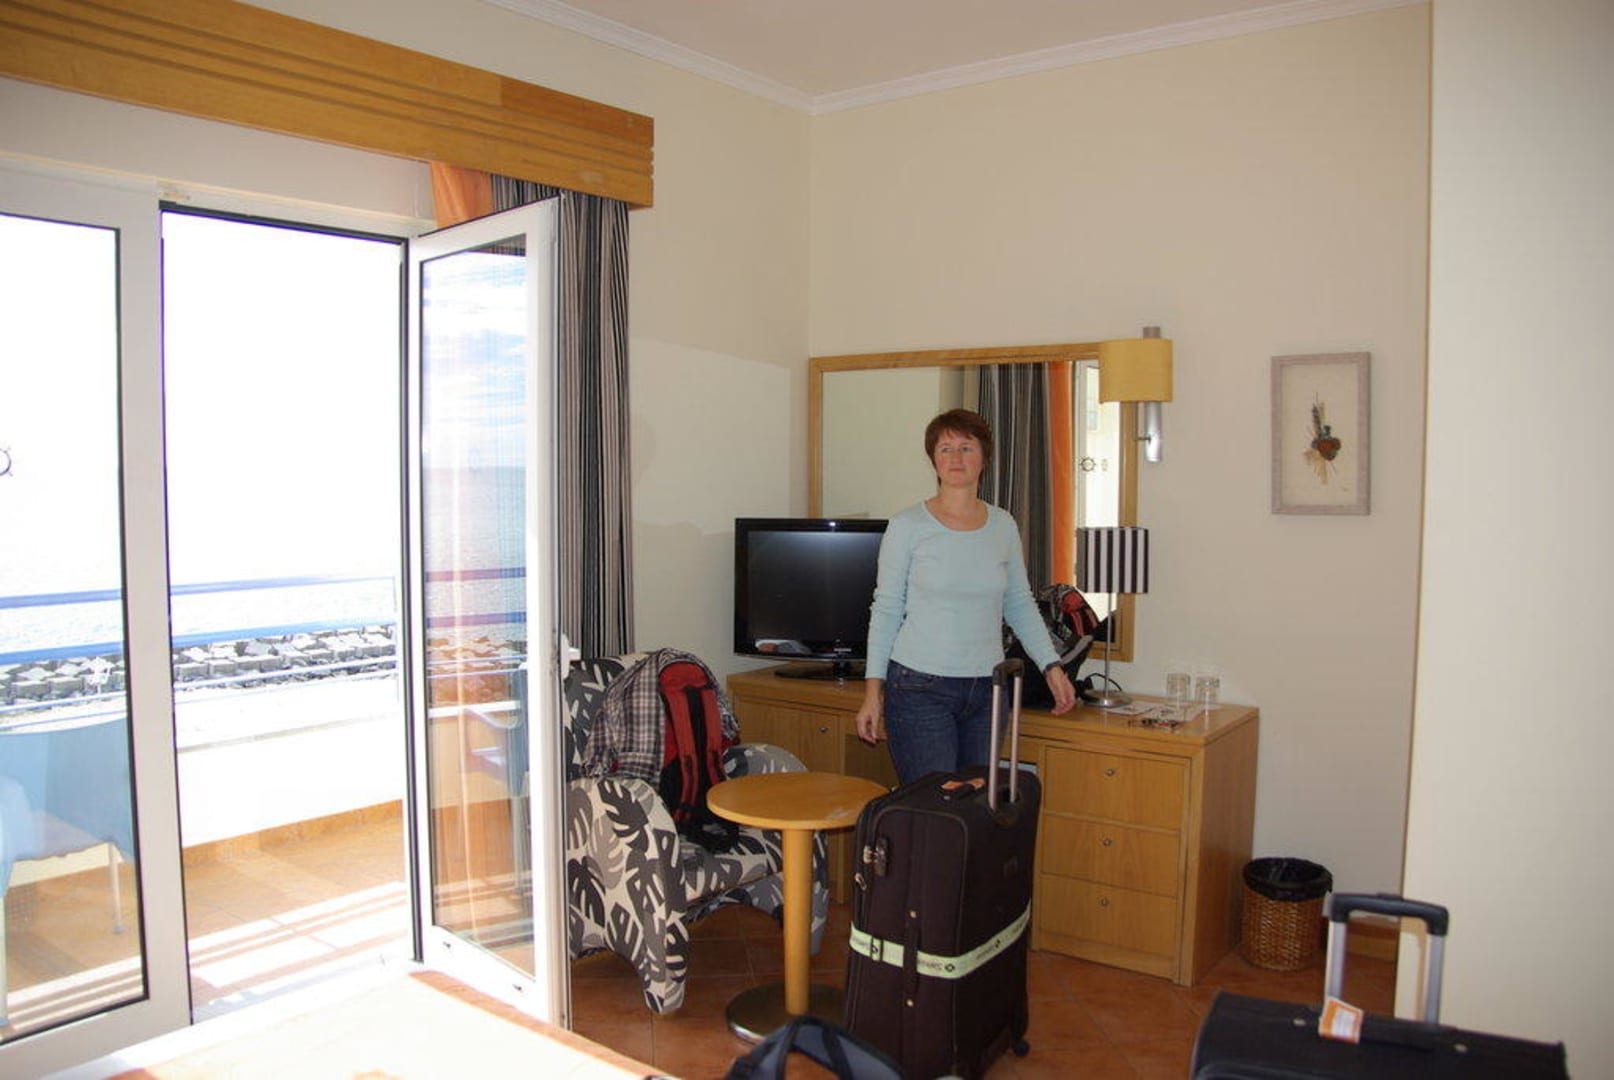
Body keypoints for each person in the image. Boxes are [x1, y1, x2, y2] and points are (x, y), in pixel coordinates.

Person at [855, 408, 1077, 785]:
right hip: (919, 687)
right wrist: (872, 692)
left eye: (966, 447)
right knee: (935, 805)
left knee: (977, 807)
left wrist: (1051, 666)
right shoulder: (907, 526)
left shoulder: (1003, 525)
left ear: (984, 459)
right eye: (946, 449)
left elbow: (1019, 604)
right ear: (933, 459)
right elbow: (886, 609)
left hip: (988, 690)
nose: (956, 458)